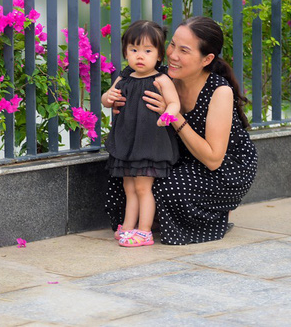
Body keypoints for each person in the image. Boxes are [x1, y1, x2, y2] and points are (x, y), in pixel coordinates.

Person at [105, 16, 258, 245]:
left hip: (221, 168)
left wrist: (174, 116)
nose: (173, 55)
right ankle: (151, 220)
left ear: (206, 59)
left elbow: (213, 159)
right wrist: (119, 104)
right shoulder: (160, 75)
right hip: (174, 155)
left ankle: (211, 213)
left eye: (184, 50)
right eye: (172, 44)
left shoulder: (219, 91)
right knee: (123, 178)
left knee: (168, 188)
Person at [101, 20, 180, 247]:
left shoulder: (161, 79)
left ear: (159, 55)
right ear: (126, 51)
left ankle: (144, 231)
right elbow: (106, 98)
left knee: (144, 187)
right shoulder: (124, 77)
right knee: (128, 186)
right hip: (127, 142)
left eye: (147, 51)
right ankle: (127, 227)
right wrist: (109, 98)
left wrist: (168, 114)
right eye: (134, 50)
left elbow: (174, 103)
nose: (140, 56)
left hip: (149, 143)